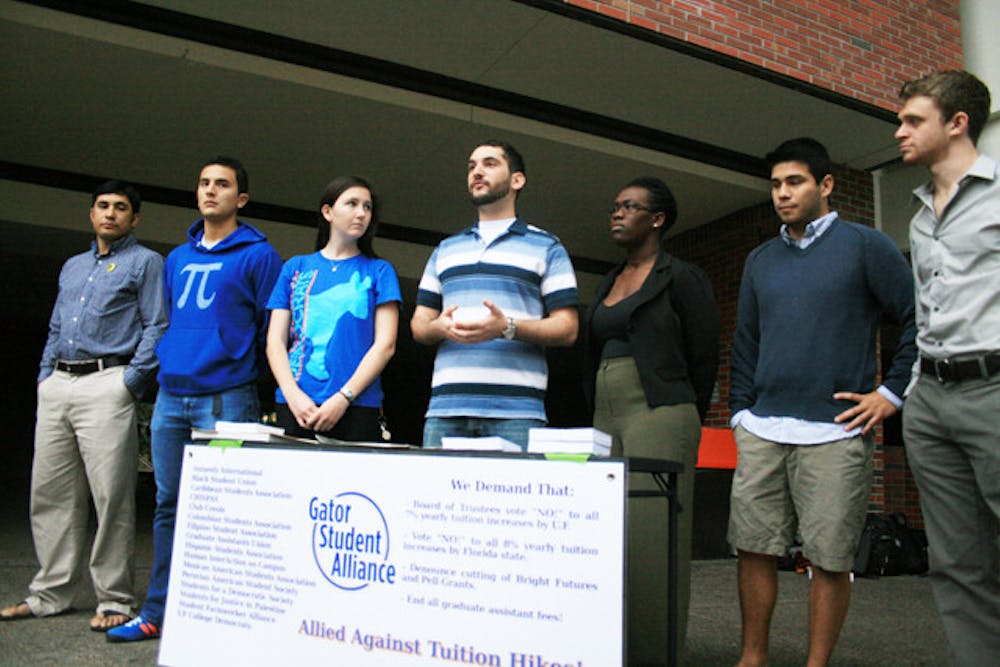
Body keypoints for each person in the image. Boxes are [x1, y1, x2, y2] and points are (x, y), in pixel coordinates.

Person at [728, 137, 917, 666]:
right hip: (763, 428)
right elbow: (745, 342)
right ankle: (752, 657)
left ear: (825, 185)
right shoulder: (760, 260)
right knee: (753, 548)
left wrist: (890, 394)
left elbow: (917, 319)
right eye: (775, 185)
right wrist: (741, 412)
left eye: (795, 182)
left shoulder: (865, 246)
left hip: (835, 431)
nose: (782, 194)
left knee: (831, 557)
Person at [107, 157, 282, 642]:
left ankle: (224, 622)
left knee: (228, 509)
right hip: (171, 399)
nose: (210, 191)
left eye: (222, 184)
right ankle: (157, 611)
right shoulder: (177, 259)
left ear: (240, 199)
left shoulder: (259, 255)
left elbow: (273, 329)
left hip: (227, 400)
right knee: (168, 505)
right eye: (203, 182)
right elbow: (165, 321)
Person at [0, 182, 166, 631]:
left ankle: (114, 599)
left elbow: (157, 326)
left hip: (107, 382)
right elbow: (56, 325)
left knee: (110, 496)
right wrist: (43, 378)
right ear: (91, 213)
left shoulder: (146, 263)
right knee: (49, 493)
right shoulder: (73, 266)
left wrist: (129, 383)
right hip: (58, 382)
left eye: (121, 209)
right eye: (103, 206)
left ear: (134, 219)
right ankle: (49, 594)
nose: (110, 214)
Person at [583, 177, 719, 665]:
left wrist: (685, 416)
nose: (616, 213)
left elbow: (705, 355)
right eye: (615, 205)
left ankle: (655, 654)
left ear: (657, 219)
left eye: (630, 207)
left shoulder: (681, 277)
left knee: (654, 542)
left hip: (659, 408)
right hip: (605, 411)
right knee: (609, 537)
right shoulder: (607, 280)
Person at [895, 70, 1000, 665]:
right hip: (931, 402)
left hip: (994, 390)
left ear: (957, 123)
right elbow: (923, 313)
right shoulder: (917, 215)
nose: (899, 131)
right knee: (958, 563)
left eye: (913, 120)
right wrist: (913, 390)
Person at [410, 140, 579, 450]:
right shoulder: (445, 249)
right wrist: (438, 328)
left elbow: (567, 329)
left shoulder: (547, 247)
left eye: (489, 164)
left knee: (516, 500)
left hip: (517, 414)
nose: (477, 172)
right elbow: (419, 324)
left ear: (517, 180)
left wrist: (506, 327)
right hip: (447, 409)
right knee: (436, 500)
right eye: (472, 166)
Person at [266, 176, 400, 441]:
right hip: (296, 403)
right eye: (352, 203)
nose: (361, 213)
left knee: (350, 484)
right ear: (327, 212)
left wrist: (343, 397)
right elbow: (274, 341)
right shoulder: (296, 268)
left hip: (357, 404)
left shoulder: (379, 271)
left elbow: (386, 344)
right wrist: (293, 395)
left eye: (367, 207)